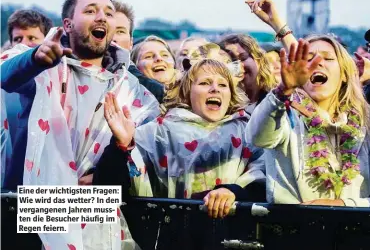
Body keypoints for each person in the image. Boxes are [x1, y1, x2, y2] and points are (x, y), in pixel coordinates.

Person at [1, 0, 159, 250]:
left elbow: (136, 171)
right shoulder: (45, 66)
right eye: (90, 10)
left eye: (109, 13)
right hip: (35, 213)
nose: (101, 17)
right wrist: (35, 59)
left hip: (101, 221)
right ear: (68, 24)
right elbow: (5, 76)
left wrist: (120, 152)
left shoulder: (130, 89)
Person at [94, 59, 266, 219]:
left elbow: (267, 180)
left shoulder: (247, 131)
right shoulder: (158, 132)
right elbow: (107, 191)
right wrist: (120, 147)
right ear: (186, 92)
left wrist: (234, 192)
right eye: (205, 83)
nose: (215, 89)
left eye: (223, 84)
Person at [247, 0, 370, 207]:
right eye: (310, 58)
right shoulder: (285, 115)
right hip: (294, 230)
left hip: (355, 233)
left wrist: (344, 205)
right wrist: (282, 91)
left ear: (344, 74)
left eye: (328, 58)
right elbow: (258, 137)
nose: (317, 63)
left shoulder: (364, 123)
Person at [1, 9, 53, 190]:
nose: (23, 44)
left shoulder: (53, 82)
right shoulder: (4, 71)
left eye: (32, 38)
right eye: (18, 39)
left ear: (47, 42)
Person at [112, 0, 164, 102]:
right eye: (108, 30)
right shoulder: (73, 75)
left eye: (120, 31)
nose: (113, 38)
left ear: (131, 42)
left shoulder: (152, 90)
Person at [218, 34, 277, 108]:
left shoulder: (275, 100)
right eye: (230, 62)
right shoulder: (220, 108)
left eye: (243, 58)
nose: (238, 66)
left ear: (259, 59)